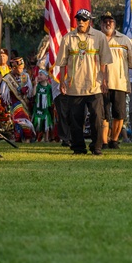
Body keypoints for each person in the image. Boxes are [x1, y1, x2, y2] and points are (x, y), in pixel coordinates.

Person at [55, 9, 113, 156]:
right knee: (75, 120)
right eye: (78, 19)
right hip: (75, 86)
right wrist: (62, 81)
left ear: (89, 21)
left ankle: (96, 147)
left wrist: (104, 80)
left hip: (95, 85)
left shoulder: (99, 37)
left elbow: (105, 61)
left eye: (83, 19)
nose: (80, 22)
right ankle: (78, 148)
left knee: (96, 118)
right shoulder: (68, 38)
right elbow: (62, 63)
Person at [99, 12, 132, 149]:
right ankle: (104, 141)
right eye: (105, 21)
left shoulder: (125, 40)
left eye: (110, 21)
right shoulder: (96, 39)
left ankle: (114, 140)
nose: (108, 24)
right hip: (100, 83)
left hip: (120, 82)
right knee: (103, 115)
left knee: (119, 115)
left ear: (115, 24)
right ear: (101, 24)